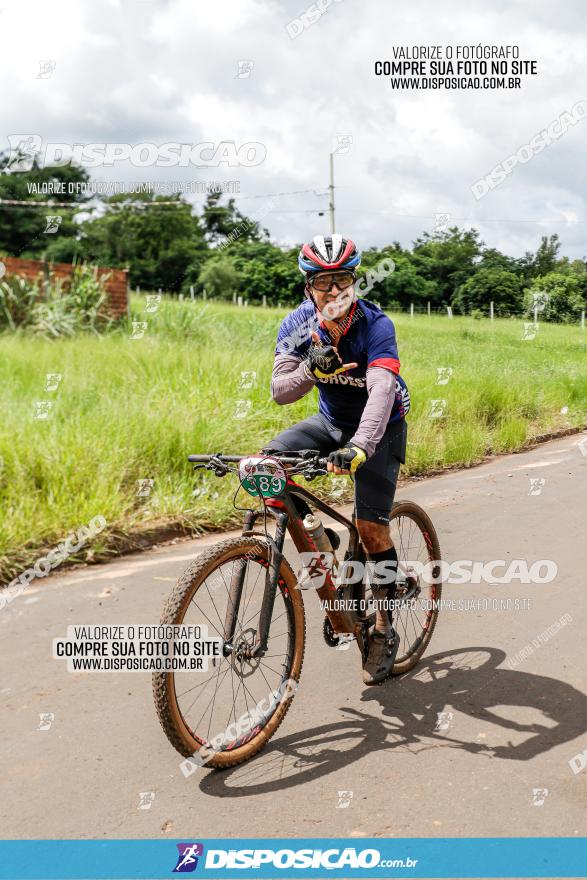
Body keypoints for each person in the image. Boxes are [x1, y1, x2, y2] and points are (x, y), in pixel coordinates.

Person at [263, 234, 410, 684]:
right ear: (308, 287)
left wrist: (362, 445)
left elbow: (382, 390)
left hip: (379, 426)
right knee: (267, 466)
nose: (334, 292)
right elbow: (280, 392)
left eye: (343, 280)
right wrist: (313, 370)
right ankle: (316, 530)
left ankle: (384, 628)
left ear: (354, 281)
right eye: (323, 283)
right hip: (330, 422)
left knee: (370, 528)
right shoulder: (296, 324)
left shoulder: (376, 324)